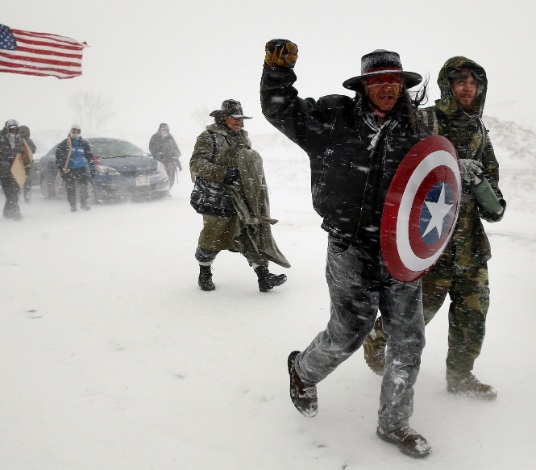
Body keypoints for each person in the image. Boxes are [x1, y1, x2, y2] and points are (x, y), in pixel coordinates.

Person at [261, 42, 432, 458]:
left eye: (394, 81)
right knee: (349, 332)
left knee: (408, 338)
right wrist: (276, 72)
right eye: (378, 81)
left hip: (400, 250)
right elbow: (281, 109)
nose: (387, 89)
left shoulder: (418, 128)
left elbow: (432, 181)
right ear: (364, 86)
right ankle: (303, 371)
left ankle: (394, 424)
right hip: (350, 246)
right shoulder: (333, 119)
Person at [363, 57, 505, 401]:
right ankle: (377, 339)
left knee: (472, 317)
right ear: (447, 85)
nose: (468, 87)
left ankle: (460, 376)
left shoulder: (480, 133)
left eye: (474, 82)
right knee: (414, 320)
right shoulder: (423, 120)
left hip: (470, 249)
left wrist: (479, 181)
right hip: (428, 246)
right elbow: (396, 172)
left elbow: (496, 207)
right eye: (460, 81)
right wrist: (449, 165)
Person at [190, 99, 290, 292]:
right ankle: (204, 272)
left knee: (249, 234)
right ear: (223, 118)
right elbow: (196, 164)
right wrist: (223, 173)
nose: (239, 122)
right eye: (234, 118)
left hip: (241, 198)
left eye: (241, 118)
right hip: (215, 197)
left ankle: (264, 277)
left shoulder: (243, 138)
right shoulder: (209, 137)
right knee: (213, 237)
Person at [0, 119, 27, 220]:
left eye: (15, 129)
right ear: (7, 128)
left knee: (14, 192)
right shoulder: (0, 139)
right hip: (4, 170)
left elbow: (25, 152)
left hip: (16, 170)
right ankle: (12, 212)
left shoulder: (19, 139)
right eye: (12, 129)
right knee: (9, 192)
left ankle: (11, 212)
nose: (13, 131)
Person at [55, 124, 96, 212]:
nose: (76, 133)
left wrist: (92, 168)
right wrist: (62, 167)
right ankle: (73, 206)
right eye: (74, 131)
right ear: (70, 131)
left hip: (81, 168)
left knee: (84, 187)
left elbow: (89, 156)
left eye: (78, 131)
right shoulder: (65, 143)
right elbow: (58, 156)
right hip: (69, 169)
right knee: (70, 188)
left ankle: (84, 204)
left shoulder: (83, 143)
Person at [149, 123, 182, 188]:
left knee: (170, 176)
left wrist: (177, 161)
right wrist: (157, 155)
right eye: (163, 130)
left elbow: (175, 149)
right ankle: (161, 190)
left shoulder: (170, 137)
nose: (165, 131)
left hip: (170, 160)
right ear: (159, 130)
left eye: (167, 130)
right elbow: (152, 149)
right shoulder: (154, 137)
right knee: (161, 177)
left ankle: (168, 189)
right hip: (159, 161)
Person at [18, 125, 37, 203]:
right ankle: (19, 195)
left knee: (26, 181)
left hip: (27, 164)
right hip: (19, 164)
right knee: (19, 181)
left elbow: (33, 149)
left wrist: (28, 148)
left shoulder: (29, 141)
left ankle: (26, 196)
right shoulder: (17, 141)